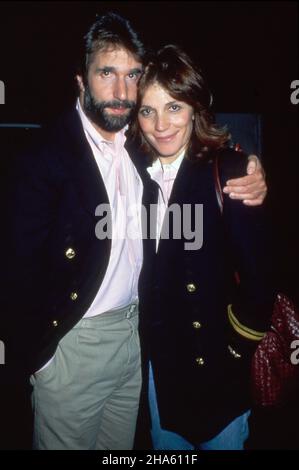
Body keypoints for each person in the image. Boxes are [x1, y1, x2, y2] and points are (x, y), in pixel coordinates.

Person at [1, 13, 266, 450]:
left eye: (132, 77)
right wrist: (40, 357)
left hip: (141, 348)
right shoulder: (48, 156)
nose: (123, 93)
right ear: (82, 82)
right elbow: (14, 268)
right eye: (108, 73)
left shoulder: (140, 156)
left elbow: (256, 268)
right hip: (79, 349)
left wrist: (249, 165)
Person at [131, 44, 276, 450]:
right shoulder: (135, 180)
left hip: (217, 376)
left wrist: (234, 350)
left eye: (174, 107)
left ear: (196, 108)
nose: (161, 124)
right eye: (147, 110)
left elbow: (261, 280)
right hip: (163, 377)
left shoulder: (226, 169)